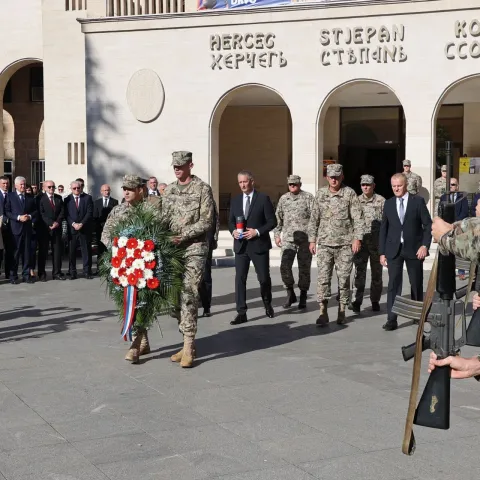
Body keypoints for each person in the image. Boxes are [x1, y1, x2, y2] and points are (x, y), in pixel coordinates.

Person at [162, 151, 214, 368]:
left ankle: (189, 344)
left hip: (194, 248)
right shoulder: (170, 190)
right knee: (172, 298)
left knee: (188, 293)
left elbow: (207, 220)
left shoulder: (202, 188)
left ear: (190, 165)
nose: (177, 169)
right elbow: (163, 217)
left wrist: (183, 235)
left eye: (181, 165)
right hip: (173, 250)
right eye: (175, 165)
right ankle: (185, 342)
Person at [102, 175, 158, 364]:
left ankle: (136, 345)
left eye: (130, 188)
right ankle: (141, 341)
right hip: (124, 268)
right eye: (124, 188)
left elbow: (159, 236)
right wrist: (119, 251)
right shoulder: (118, 211)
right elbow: (106, 235)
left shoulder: (151, 210)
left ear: (140, 190)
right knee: (129, 302)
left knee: (143, 303)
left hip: (146, 266)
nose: (126, 192)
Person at [308, 164, 365, 326]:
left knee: (344, 278)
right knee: (323, 278)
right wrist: (312, 240)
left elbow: (358, 218)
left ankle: (342, 310)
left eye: (337, 176)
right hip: (325, 244)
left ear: (342, 176)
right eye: (331, 176)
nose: (334, 179)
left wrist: (357, 239)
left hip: (344, 245)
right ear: (327, 177)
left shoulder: (349, 193)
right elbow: (314, 219)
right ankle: (323, 311)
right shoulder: (320, 194)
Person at [379, 173, 432, 331]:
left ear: (406, 185)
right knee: (393, 284)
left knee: (415, 283)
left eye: (399, 186)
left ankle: (417, 315)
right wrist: (382, 252)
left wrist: (425, 246)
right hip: (394, 250)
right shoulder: (388, 204)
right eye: (393, 186)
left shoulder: (418, 202)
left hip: (414, 250)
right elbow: (384, 229)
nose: (396, 188)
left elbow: (428, 225)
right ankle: (391, 318)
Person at [228, 170, 277, 325]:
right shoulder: (235, 201)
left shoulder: (263, 199)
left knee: (263, 278)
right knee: (240, 279)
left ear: (251, 181)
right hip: (241, 246)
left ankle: (267, 303)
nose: (242, 185)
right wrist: (233, 231)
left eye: (245, 181)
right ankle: (241, 312)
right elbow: (230, 221)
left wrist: (257, 231)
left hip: (258, 245)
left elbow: (272, 221)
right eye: (240, 182)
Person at [274, 175, 314, 309]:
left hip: (305, 240)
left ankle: (303, 295)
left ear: (300, 184)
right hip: (288, 239)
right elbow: (278, 218)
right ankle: (290, 293)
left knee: (304, 269)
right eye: (290, 184)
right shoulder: (284, 199)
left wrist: (313, 239)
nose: (292, 186)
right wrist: (277, 234)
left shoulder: (308, 198)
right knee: (284, 266)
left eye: (295, 184)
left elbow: (315, 219)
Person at [351, 174, 385, 313]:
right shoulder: (355, 201)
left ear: (373, 186)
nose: (365, 187)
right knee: (359, 272)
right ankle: (357, 301)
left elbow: (386, 223)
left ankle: (375, 300)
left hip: (376, 244)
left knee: (377, 274)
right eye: (363, 185)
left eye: (368, 185)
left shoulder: (381, 201)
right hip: (361, 244)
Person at [4, 176, 37, 284]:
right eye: (21, 184)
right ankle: (13, 276)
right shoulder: (10, 196)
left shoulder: (30, 197)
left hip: (27, 229)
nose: (23, 186)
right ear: (16, 185)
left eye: (24, 184)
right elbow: (7, 212)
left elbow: (35, 211)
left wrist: (29, 217)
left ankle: (26, 275)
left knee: (26, 253)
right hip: (15, 229)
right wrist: (18, 217)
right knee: (15, 253)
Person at [64, 180, 94, 279]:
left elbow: (89, 212)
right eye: (74, 188)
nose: (77, 189)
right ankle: (72, 272)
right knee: (72, 252)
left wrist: (81, 223)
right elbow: (66, 214)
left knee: (86, 251)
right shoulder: (67, 199)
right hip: (72, 229)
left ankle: (87, 271)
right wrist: (73, 224)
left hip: (84, 228)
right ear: (71, 189)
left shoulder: (87, 198)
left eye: (78, 188)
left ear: (81, 188)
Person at [37, 180, 65, 281]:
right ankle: (42, 274)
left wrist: (57, 222)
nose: (51, 189)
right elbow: (41, 213)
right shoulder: (40, 198)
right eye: (49, 187)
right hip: (45, 229)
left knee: (57, 252)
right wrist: (50, 223)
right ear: (44, 188)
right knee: (43, 252)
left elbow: (62, 211)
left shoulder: (58, 198)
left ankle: (57, 273)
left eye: (53, 187)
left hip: (56, 229)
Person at [199, 198, 220, 317]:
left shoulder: (209, 200)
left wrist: (215, 238)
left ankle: (206, 307)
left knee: (206, 275)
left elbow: (216, 220)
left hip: (206, 242)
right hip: (189, 242)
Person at [93, 184, 118, 273]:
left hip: (110, 229)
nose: (106, 192)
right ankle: (100, 268)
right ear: (101, 192)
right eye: (104, 190)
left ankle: (110, 267)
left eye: (108, 190)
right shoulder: (97, 202)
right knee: (100, 249)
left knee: (110, 248)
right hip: (100, 229)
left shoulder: (115, 202)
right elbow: (95, 216)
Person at [0, 176, 13, 279]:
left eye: (7, 183)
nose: (5, 185)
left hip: (10, 227)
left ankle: (9, 273)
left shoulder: (12, 195)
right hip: (0, 228)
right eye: (3, 183)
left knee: (9, 250)